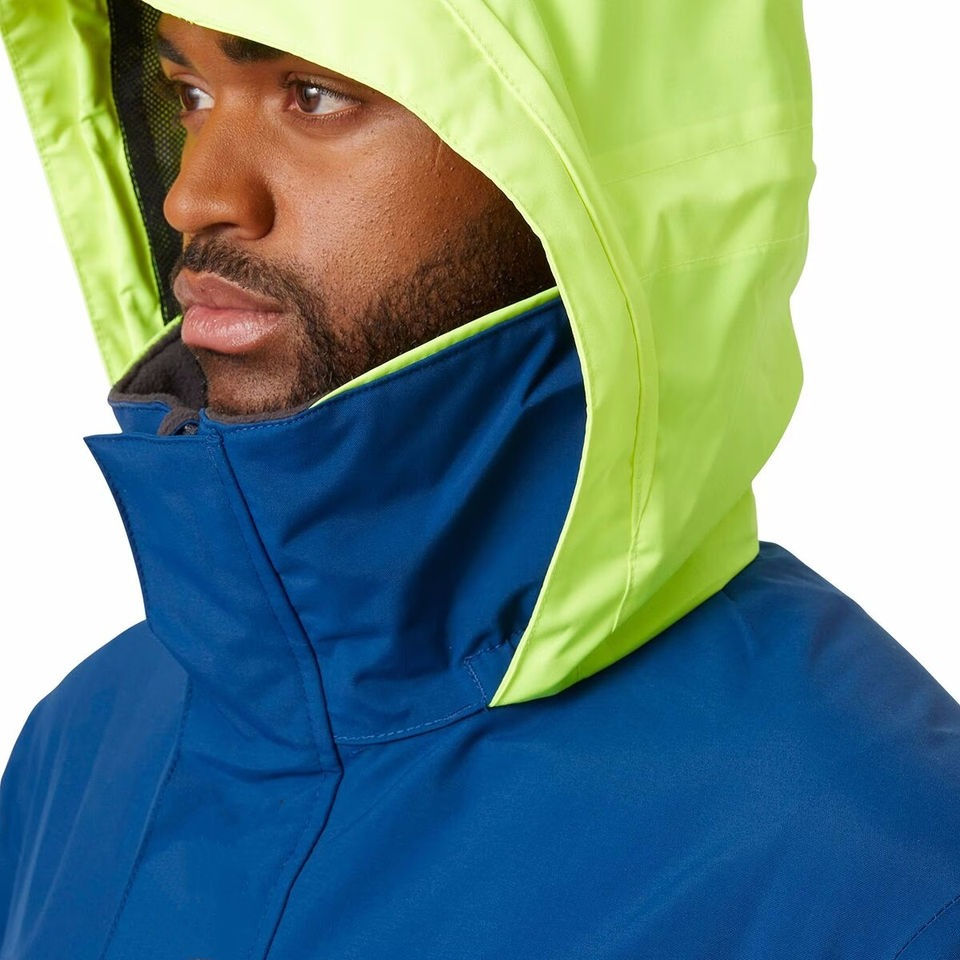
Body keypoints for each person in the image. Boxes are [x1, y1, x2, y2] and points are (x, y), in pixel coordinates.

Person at [1, 0, 958, 957]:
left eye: (314, 93)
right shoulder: (88, 739)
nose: (194, 196)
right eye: (191, 93)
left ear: (594, 165)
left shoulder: (883, 880)